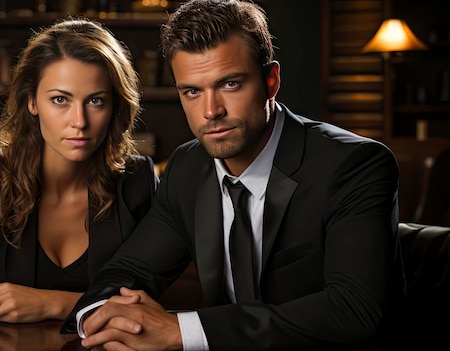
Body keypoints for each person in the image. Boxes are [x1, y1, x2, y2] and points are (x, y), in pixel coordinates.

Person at [61, 0, 400, 349]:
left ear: (271, 81)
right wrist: (103, 317)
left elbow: (355, 311)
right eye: (192, 91)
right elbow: (124, 274)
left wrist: (180, 330)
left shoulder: (355, 165)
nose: (210, 111)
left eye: (231, 84)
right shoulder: (188, 167)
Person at [0, 17, 158, 323]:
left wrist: (51, 304)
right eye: (60, 100)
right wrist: (90, 305)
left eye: (95, 101)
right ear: (32, 103)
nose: (79, 121)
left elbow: (144, 303)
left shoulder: (137, 179)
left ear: (115, 107)